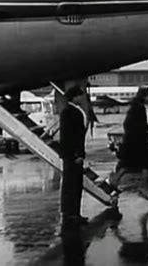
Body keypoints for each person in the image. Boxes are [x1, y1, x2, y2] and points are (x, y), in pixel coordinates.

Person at [113, 87, 148, 200]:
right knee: (147, 166)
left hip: (130, 142)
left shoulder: (133, 107)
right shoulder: (139, 108)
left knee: (127, 166)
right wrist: (146, 130)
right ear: (145, 96)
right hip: (139, 143)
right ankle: (143, 189)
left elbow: (129, 123)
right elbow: (139, 124)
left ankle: (113, 184)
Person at [59, 86, 88, 225]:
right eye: (80, 95)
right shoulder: (70, 113)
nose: (82, 98)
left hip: (71, 153)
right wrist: (77, 153)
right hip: (72, 154)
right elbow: (72, 136)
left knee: (74, 184)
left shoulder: (71, 111)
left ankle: (73, 212)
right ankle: (71, 213)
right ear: (75, 97)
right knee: (72, 184)